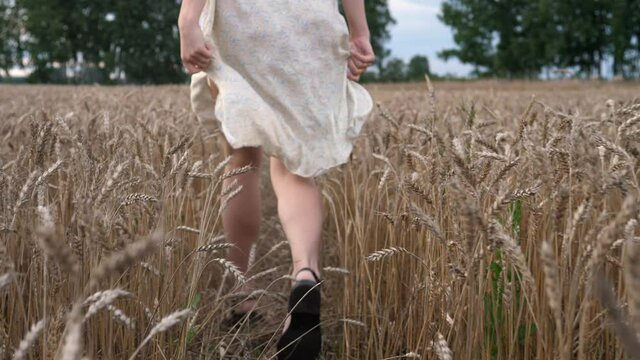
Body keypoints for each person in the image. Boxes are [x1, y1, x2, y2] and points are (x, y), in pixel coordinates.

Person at [178, 0, 374, 358]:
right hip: (310, 21)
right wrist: (359, 31)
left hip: (241, 21)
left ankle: (241, 292)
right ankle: (305, 276)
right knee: (295, 166)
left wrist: (187, 18)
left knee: (242, 157)